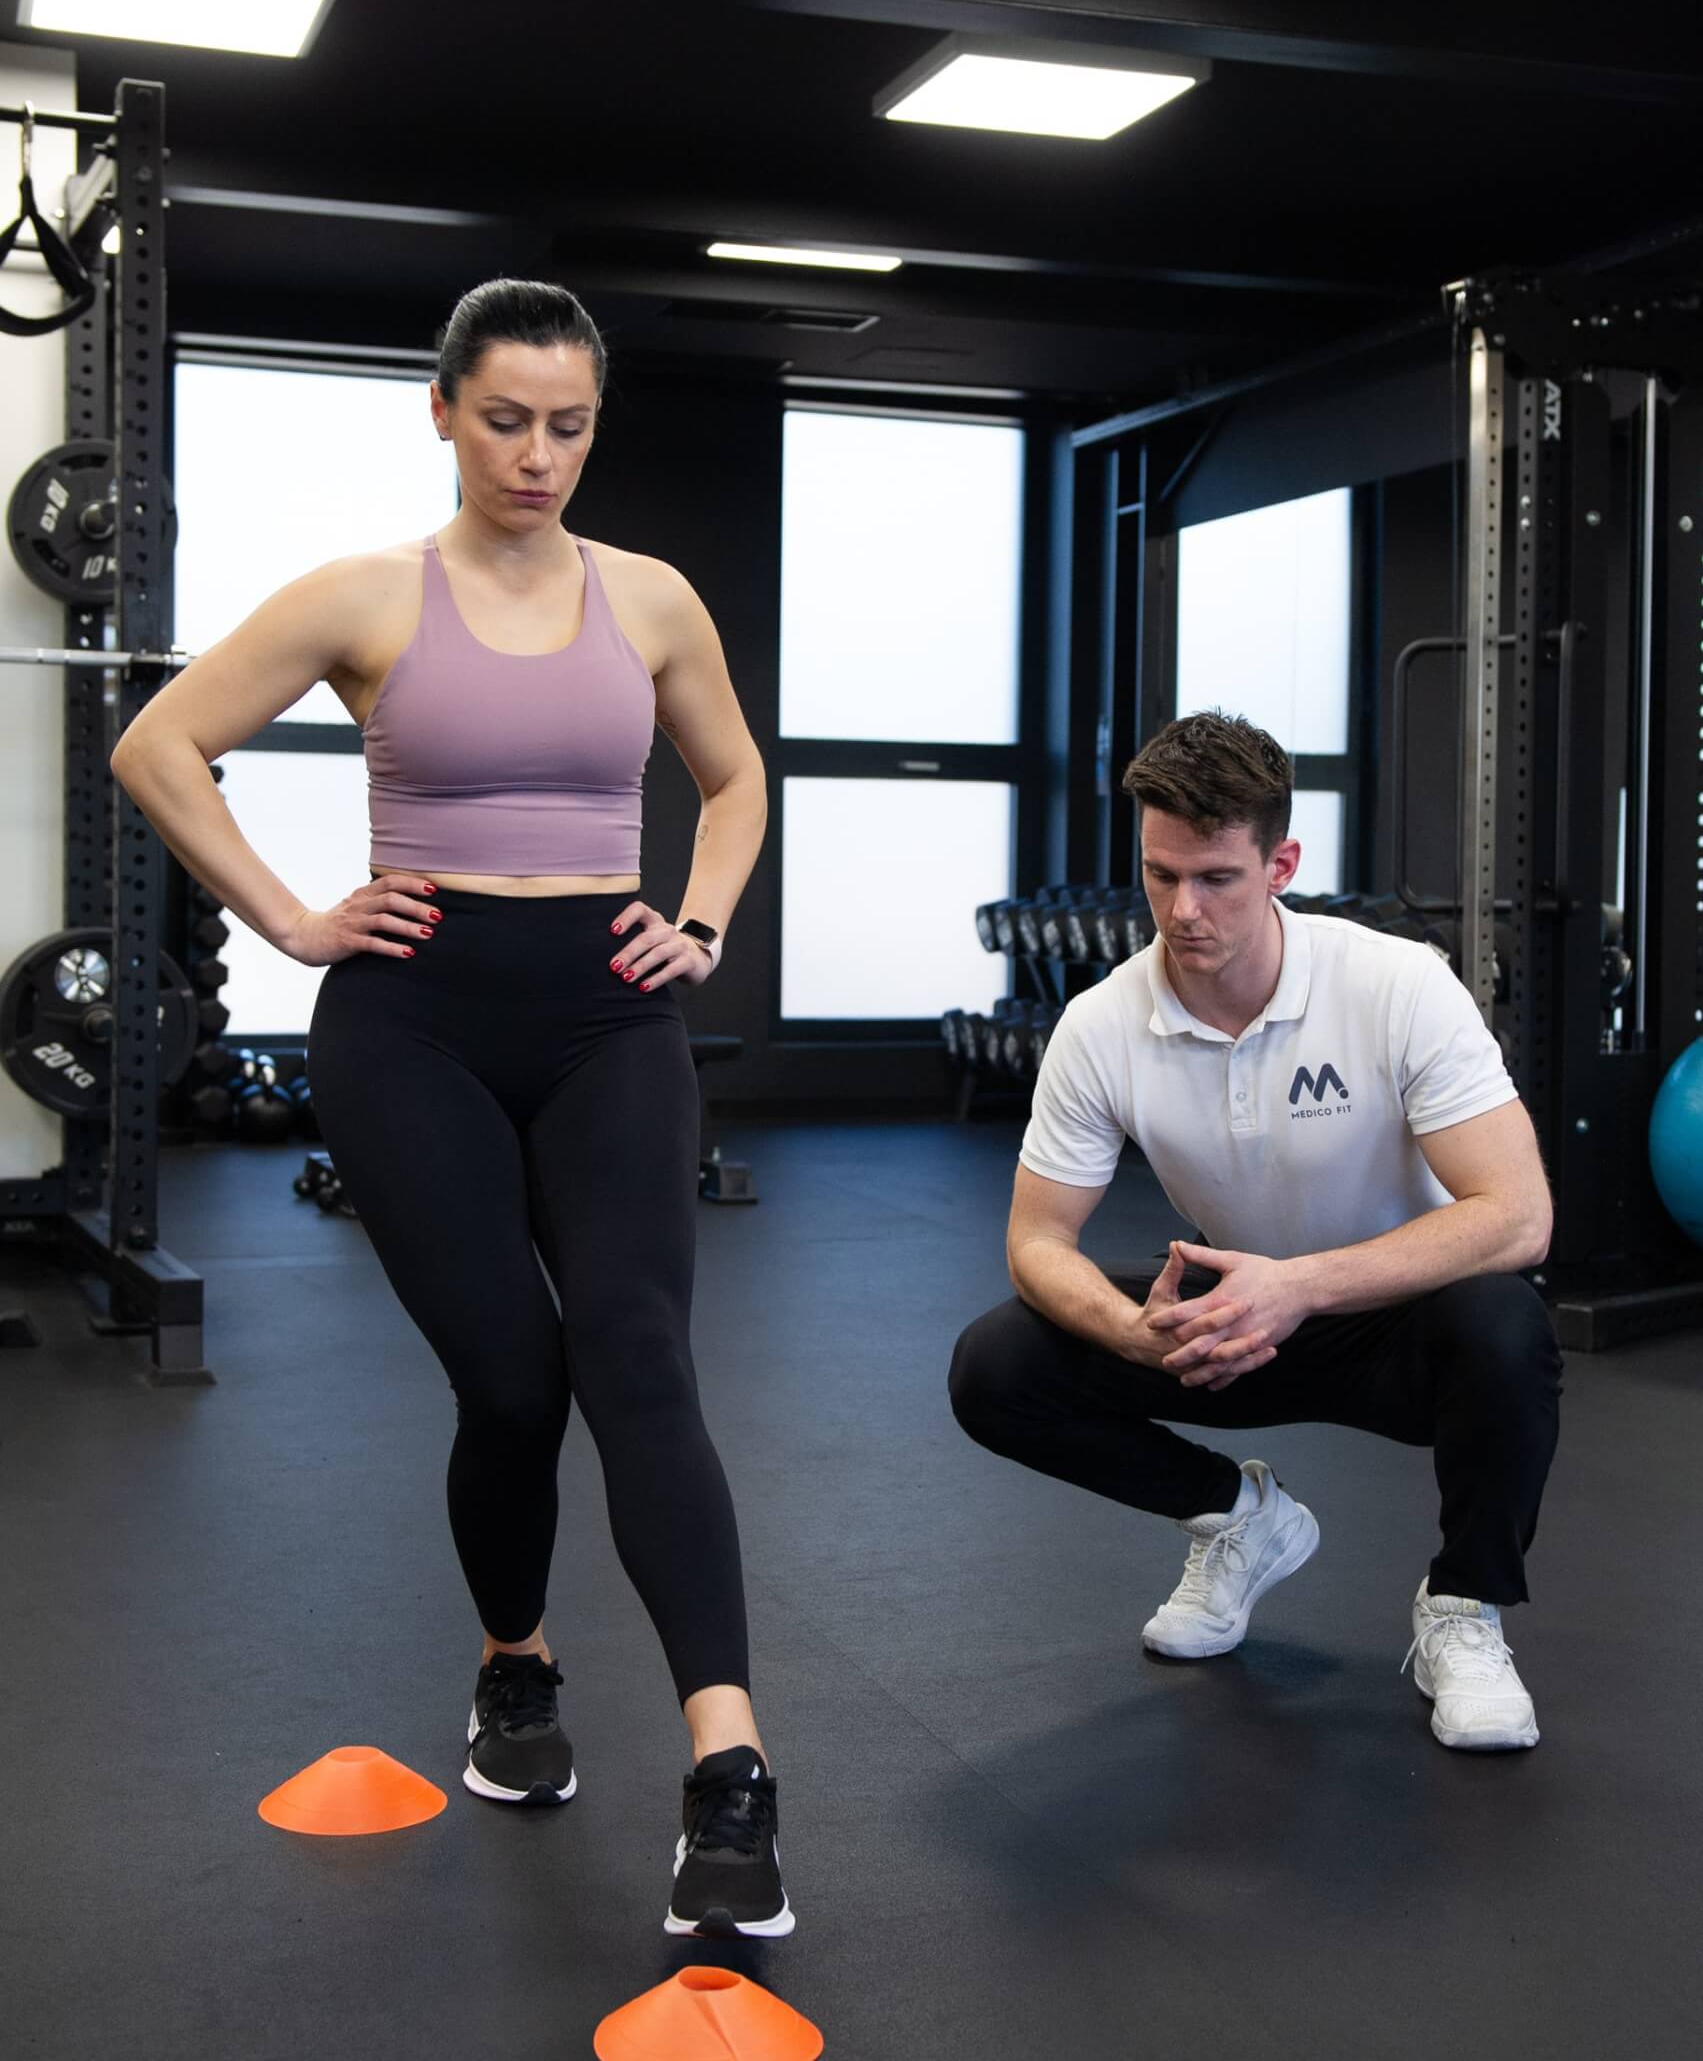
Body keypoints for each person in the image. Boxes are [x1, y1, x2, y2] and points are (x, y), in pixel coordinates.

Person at [112, 278, 793, 1935]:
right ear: (443, 411)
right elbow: (159, 744)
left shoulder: (647, 601)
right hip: (409, 1021)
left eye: (568, 425)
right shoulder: (366, 595)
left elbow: (733, 777)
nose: (538, 454)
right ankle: (514, 1667)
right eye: (506, 419)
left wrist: (696, 922)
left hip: (607, 1018)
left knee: (635, 1353)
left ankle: (729, 1774)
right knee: (510, 1381)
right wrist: (291, 920)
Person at [949, 710, 1561, 1751]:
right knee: (996, 1362)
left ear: (1280, 862)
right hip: (1233, 1326)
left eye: (1215, 878)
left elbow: (1518, 1215)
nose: (1181, 911)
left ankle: (1462, 1605)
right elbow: (1036, 1242)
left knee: (1505, 1324)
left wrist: (1302, 1284)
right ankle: (1237, 1518)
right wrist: (1126, 1330)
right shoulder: (1102, 1024)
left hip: (1396, 1324)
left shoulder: (1392, 984)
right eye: (1159, 875)